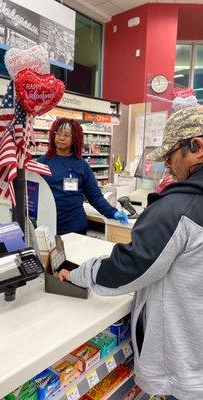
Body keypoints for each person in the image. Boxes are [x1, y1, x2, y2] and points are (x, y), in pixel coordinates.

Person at [58, 106, 203, 400]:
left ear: (196, 146)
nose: (167, 164)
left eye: (170, 154)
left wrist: (77, 273)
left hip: (187, 367)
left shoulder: (179, 208)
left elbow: (129, 267)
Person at [38, 118, 128, 235]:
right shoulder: (42, 162)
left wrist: (113, 212)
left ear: (75, 138)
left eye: (66, 135)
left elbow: (95, 196)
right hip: (47, 227)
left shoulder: (81, 165)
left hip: (75, 227)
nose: (61, 138)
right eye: (58, 133)